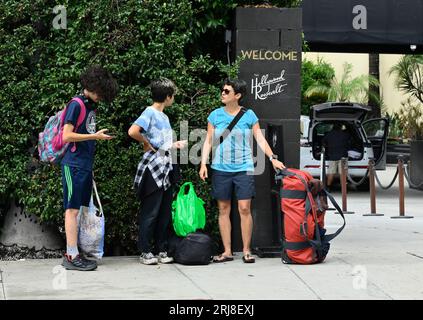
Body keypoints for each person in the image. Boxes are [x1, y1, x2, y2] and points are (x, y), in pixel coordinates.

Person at [199, 78, 285, 264]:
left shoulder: (249, 115)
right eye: (222, 90)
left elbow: (260, 139)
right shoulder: (214, 115)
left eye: (226, 91)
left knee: (244, 209)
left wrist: (272, 159)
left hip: (244, 168)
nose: (222, 93)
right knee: (223, 209)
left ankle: (246, 251)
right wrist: (203, 164)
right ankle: (228, 251)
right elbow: (208, 141)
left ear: (237, 95)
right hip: (220, 168)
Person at [61, 65, 118, 271]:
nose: (102, 96)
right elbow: (66, 135)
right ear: (93, 86)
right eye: (101, 92)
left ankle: (76, 253)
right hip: (73, 166)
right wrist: (95, 136)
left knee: (78, 210)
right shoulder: (76, 104)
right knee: (72, 210)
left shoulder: (90, 105)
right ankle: (71, 255)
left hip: (83, 166)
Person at [128, 78, 186, 265]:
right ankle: (145, 251)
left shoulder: (164, 116)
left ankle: (161, 249)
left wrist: (172, 146)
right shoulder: (150, 112)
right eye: (173, 95)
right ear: (168, 97)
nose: (174, 98)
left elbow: (163, 144)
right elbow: (132, 131)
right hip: (154, 167)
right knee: (151, 211)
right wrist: (147, 144)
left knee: (163, 211)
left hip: (166, 166)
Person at [322, 122, 353, 190]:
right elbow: (350, 143)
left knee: (331, 172)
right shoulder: (345, 134)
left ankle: (328, 187)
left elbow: (324, 144)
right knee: (342, 173)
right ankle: (344, 188)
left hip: (332, 156)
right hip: (343, 156)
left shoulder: (328, 134)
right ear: (340, 127)